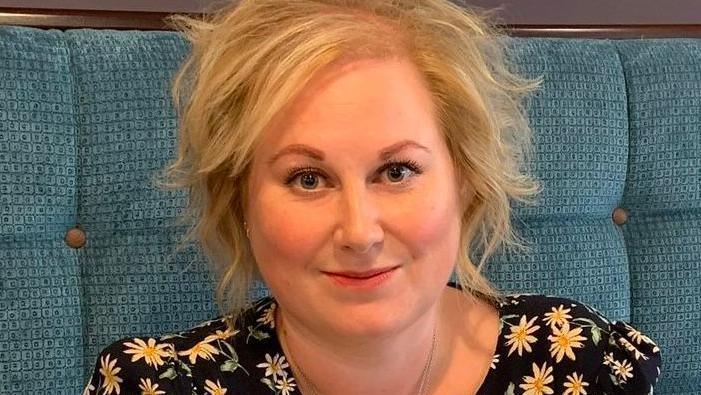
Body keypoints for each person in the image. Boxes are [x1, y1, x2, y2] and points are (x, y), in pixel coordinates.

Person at [83, 0, 662, 394]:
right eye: (307, 178)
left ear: (464, 182)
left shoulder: (582, 362)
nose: (360, 232)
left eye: (397, 171)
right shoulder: (157, 383)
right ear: (241, 202)